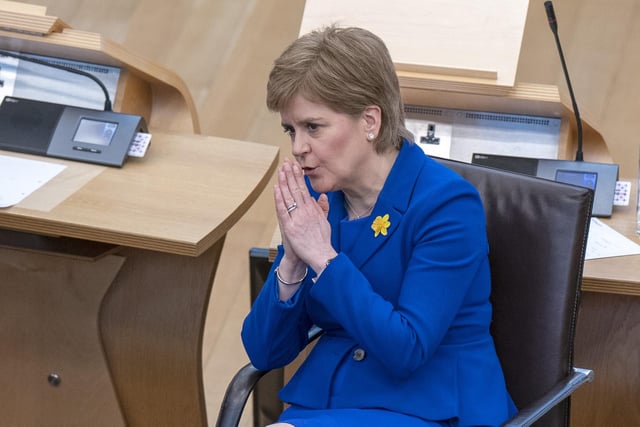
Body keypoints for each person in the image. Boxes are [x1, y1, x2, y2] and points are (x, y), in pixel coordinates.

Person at [241, 25, 516, 427]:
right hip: (331, 401)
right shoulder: (319, 198)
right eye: (291, 130)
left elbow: (407, 348)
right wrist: (294, 265)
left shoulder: (447, 205)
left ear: (370, 120)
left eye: (313, 127)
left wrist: (323, 256)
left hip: (430, 407)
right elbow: (265, 353)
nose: (298, 148)